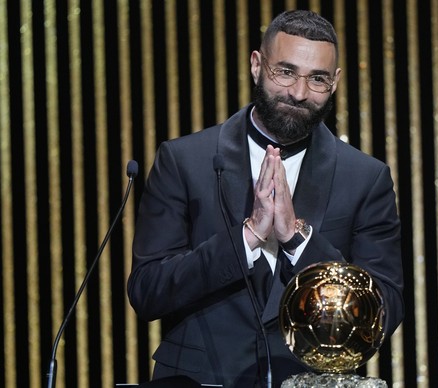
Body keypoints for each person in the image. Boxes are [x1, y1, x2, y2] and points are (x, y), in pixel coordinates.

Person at [128, 9, 404, 388]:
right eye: (285, 72)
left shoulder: (366, 178)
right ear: (257, 65)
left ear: (335, 82)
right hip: (198, 379)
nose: (299, 92)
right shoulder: (184, 161)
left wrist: (297, 238)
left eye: (317, 79)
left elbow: (385, 308)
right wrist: (246, 240)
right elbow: (147, 291)